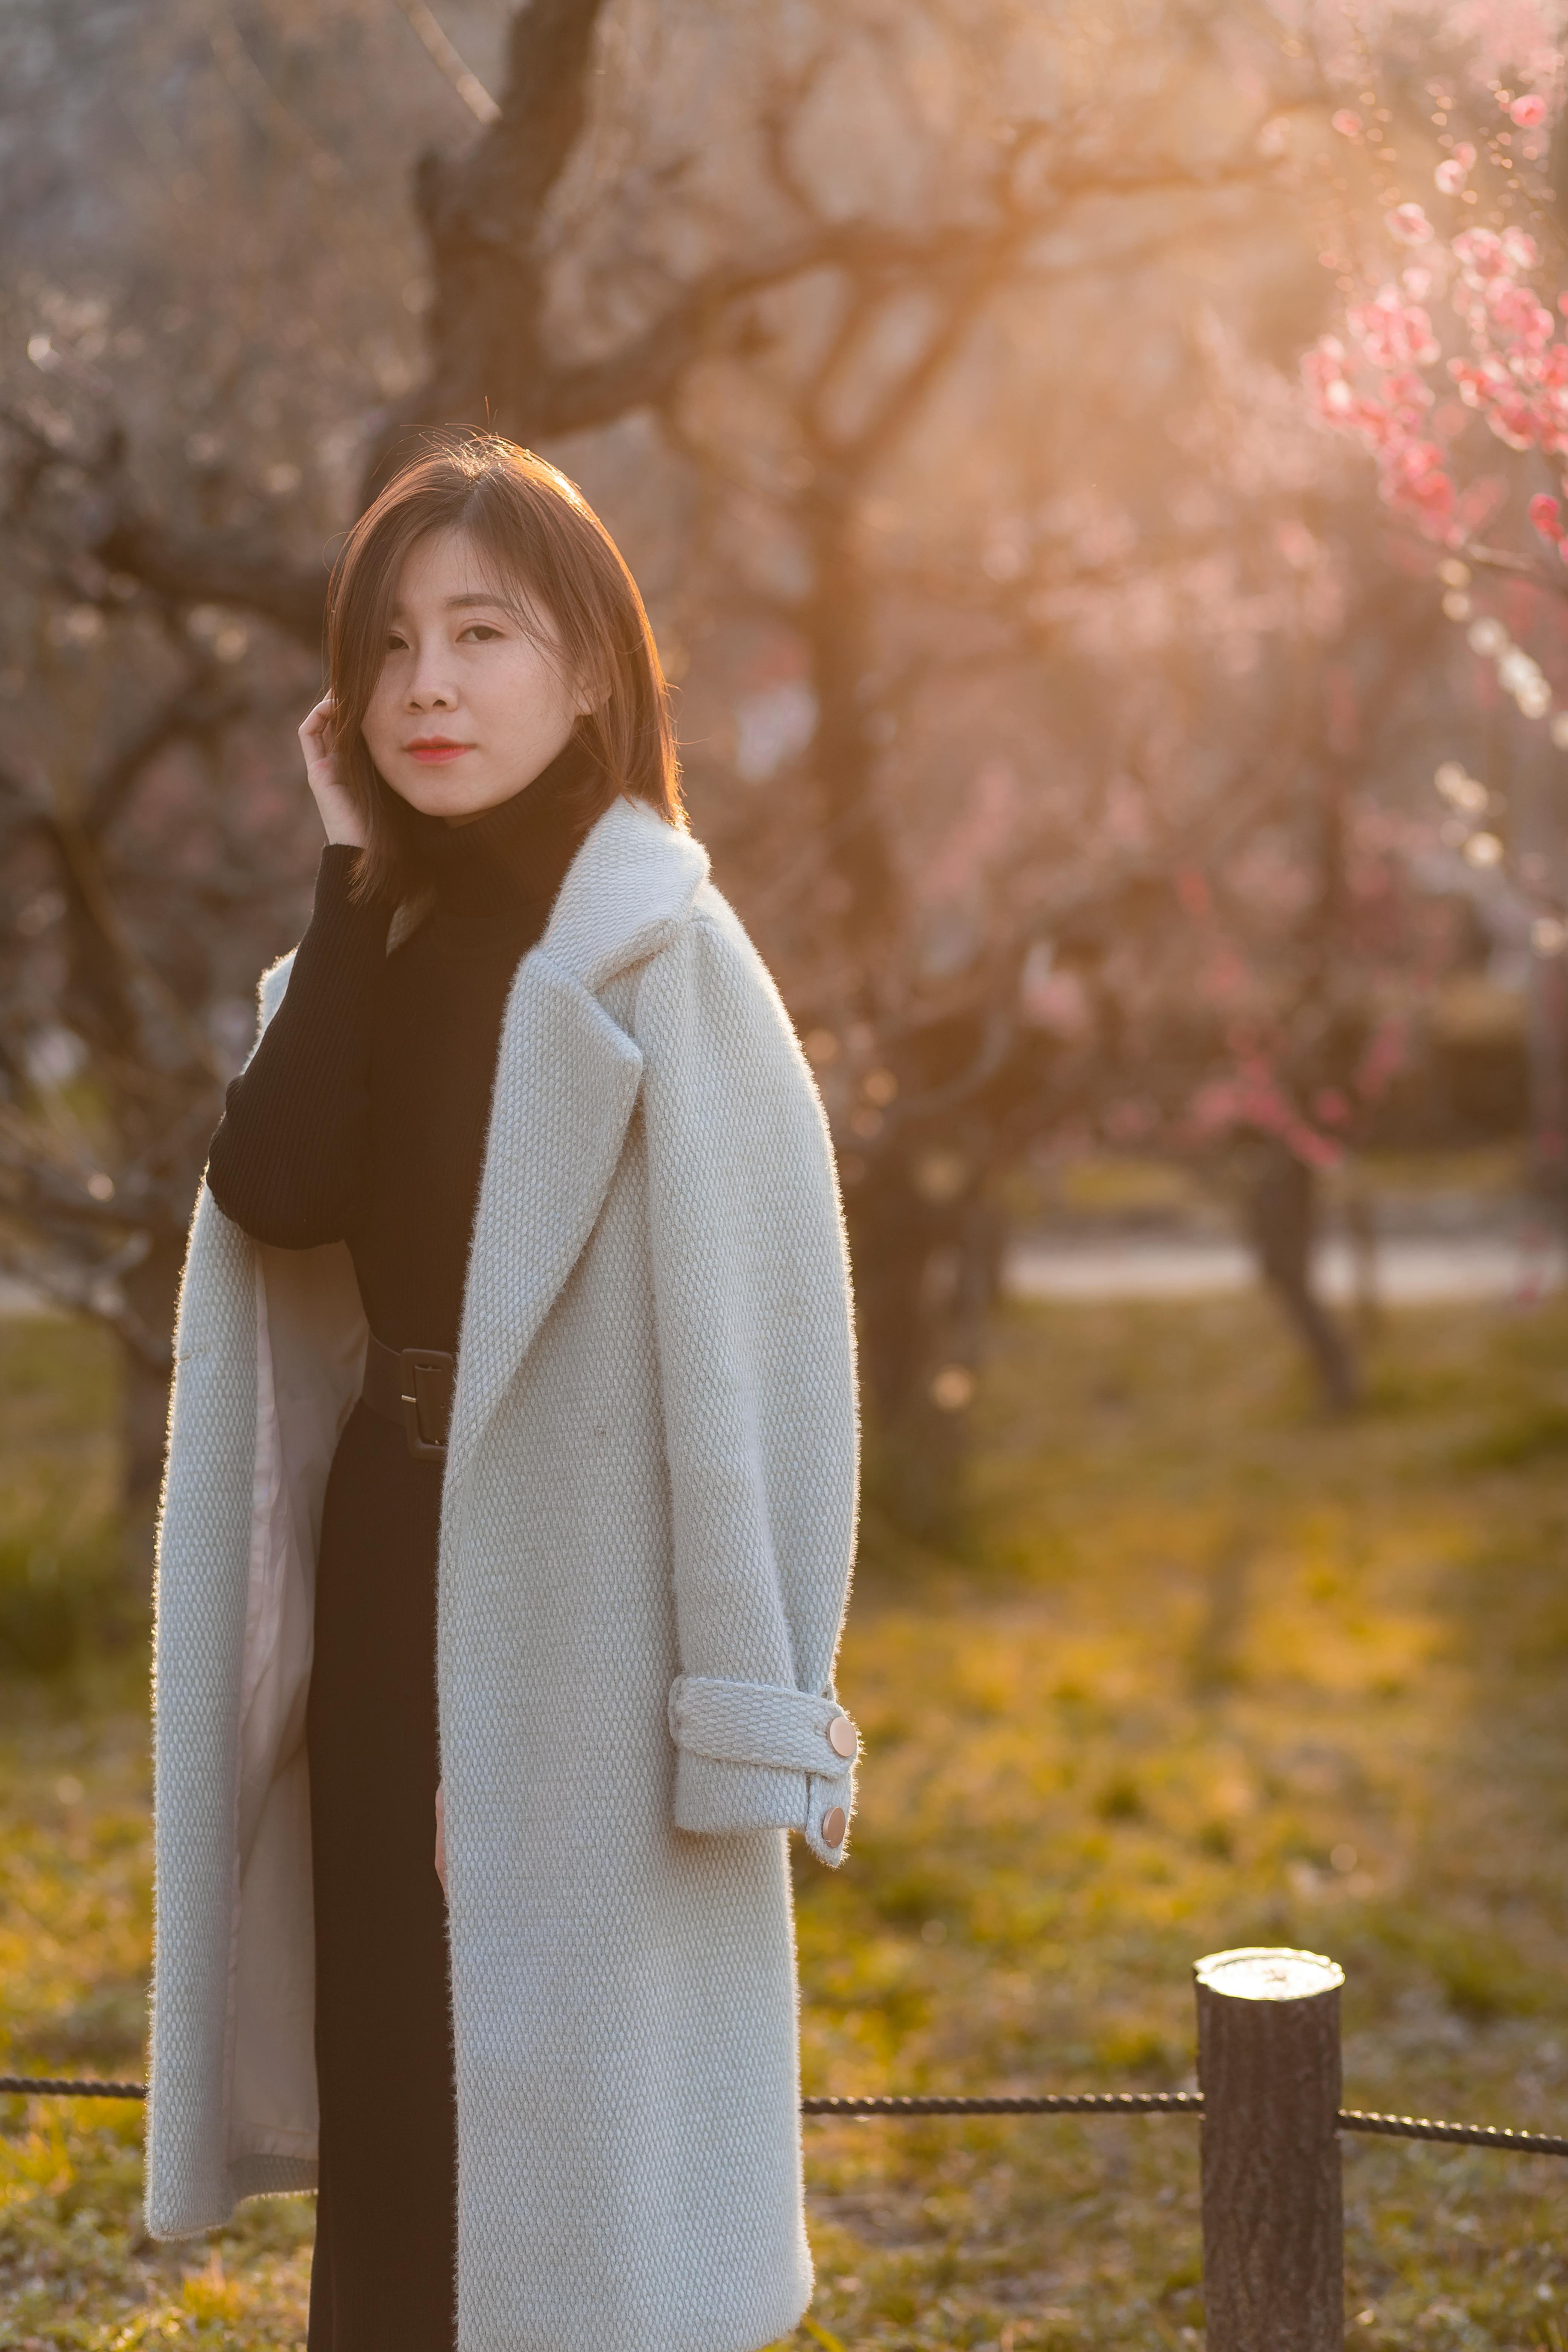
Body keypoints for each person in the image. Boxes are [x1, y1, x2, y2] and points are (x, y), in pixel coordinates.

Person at [143, 434, 861, 2352]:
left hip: (580, 1613)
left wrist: (732, 1714)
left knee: (561, 2153)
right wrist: (344, 861)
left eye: (480, 634)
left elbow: (775, 1369)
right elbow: (276, 1188)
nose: (427, 687)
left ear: (594, 675)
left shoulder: (661, 960)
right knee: (403, 2086)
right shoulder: (371, 942)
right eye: (388, 647)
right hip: (397, 1567)